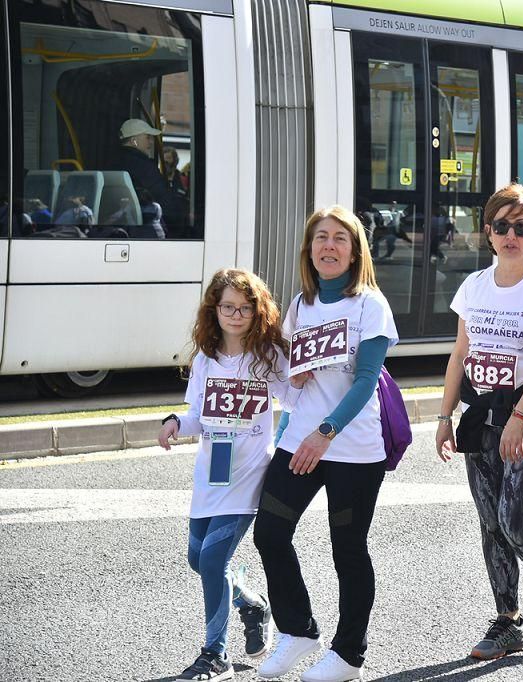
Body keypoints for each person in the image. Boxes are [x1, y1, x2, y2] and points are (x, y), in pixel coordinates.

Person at [253, 205, 398, 682]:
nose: (328, 246)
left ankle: (348, 656)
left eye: (339, 238)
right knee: (270, 534)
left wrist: (326, 432)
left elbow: (364, 381)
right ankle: (297, 632)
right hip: (300, 438)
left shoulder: (369, 305)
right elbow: (293, 386)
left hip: (352, 448)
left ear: (355, 251)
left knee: (347, 549)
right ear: (309, 249)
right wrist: (296, 374)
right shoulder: (300, 305)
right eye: (320, 238)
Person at [435, 183, 523, 660]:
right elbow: (459, 355)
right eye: (501, 226)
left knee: (515, 518)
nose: (510, 235)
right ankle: (508, 621)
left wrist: (520, 416)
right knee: (490, 523)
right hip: (480, 420)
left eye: (522, 227)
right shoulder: (473, 286)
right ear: (487, 232)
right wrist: (444, 416)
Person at [157, 268, 293, 682]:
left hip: (250, 474)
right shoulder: (205, 360)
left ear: (257, 311)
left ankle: (216, 656)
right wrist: (176, 423)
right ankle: (253, 604)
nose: (236, 314)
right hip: (211, 472)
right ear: (214, 311)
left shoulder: (268, 357)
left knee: (215, 559)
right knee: (199, 560)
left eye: (245, 308)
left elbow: (297, 401)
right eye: (227, 307)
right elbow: (199, 416)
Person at [109, 118, 184, 233]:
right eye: (147, 138)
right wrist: (182, 220)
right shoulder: (143, 166)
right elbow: (164, 200)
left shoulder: (112, 161)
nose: (151, 142)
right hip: (142, 230)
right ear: (134, 141)